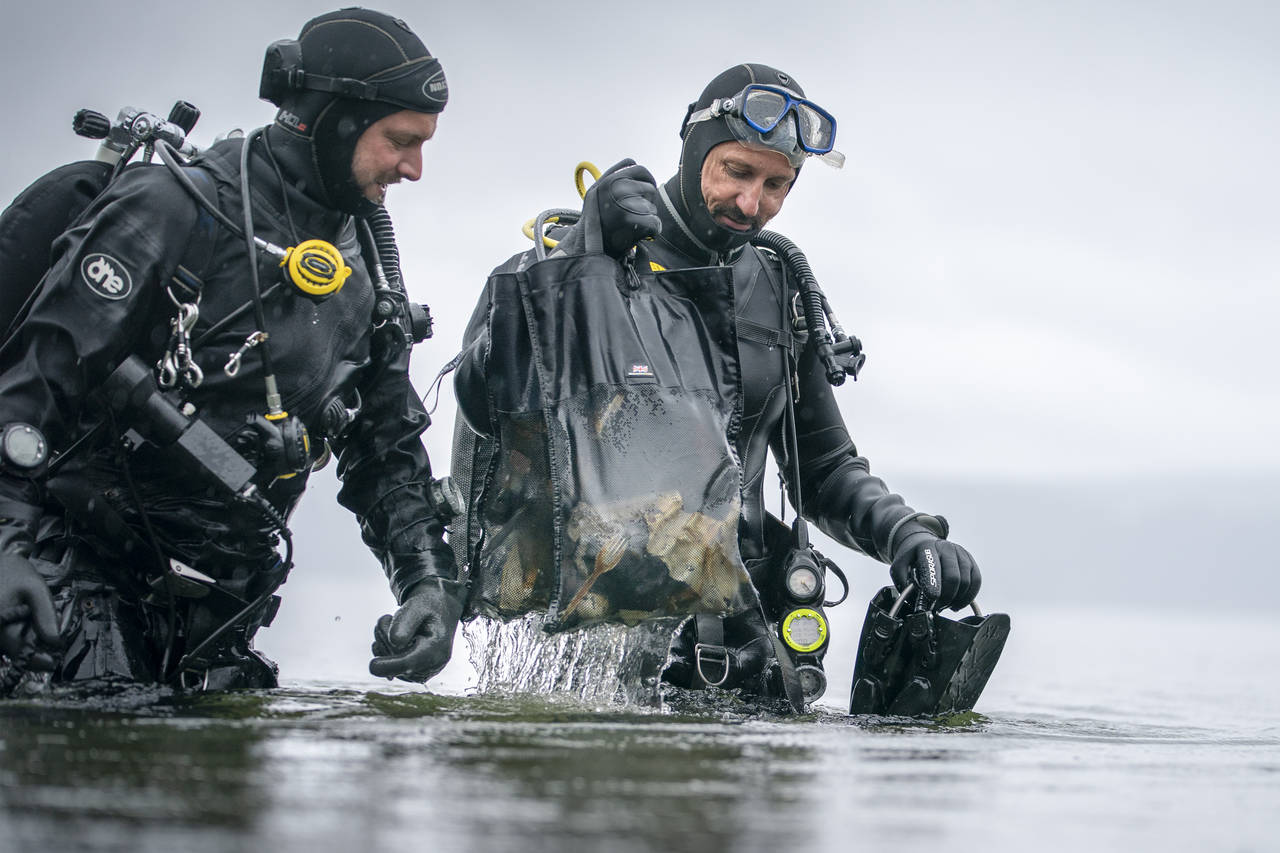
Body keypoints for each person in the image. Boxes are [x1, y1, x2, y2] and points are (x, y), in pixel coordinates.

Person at [447, 63, 982, 706]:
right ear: (693, 147)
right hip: (587, 640)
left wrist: (905, 533)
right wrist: (577, 267)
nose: (754, 203)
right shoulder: (571, 261)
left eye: (778, 184)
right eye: (737, 171)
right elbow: (484, 404)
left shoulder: (780, 292)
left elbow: (824, 468)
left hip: (742, 640)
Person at [0, 8, 462, 693]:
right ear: (332, 118)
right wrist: (5, 545)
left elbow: (384, 445)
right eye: (398, 140)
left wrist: (426, 580)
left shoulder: (366, 269)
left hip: (219, 610)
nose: (415, 168)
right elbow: (34, 384)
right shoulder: (172, 208)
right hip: (75, 578)